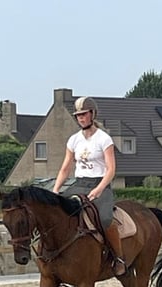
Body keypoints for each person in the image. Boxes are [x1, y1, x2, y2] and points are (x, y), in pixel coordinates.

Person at [52, 96, 126, 276]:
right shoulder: (73, 140)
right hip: (79, 183)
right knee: (58, 212)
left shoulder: (104, 139)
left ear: (92, 114)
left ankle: (118, 258)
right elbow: (65, 168)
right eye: (78, 115)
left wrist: (99, 189)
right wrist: (55, 190)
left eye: (84, 114)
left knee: (105, 218)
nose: (81, 118)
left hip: (99, 184)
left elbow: (111, 169)